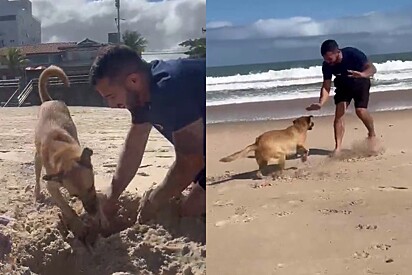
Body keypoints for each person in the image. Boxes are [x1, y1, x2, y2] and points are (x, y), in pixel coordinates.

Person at [89, 45, 206, 223]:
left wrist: (154, 200)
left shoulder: (169, 87)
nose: (111, 105)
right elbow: (134, 147)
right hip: (203, 153)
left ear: (133, 81)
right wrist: (113, 194)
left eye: (111, 96)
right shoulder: (140, 98)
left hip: (213, 152)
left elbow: (190, 161)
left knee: (189, 209)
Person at [306, 39, 377, 156]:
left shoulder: (353, 53)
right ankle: (338, 148)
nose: (328, 62)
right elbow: (326, 85)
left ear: (337, 52)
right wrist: (321, 103)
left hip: (360, 82)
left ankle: (372, 133)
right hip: (343, 85)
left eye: (330, 59)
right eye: (325, 59)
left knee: (360, 111)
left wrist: (363, 74)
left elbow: (372, 68)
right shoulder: (327, 65)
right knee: (339, 113)